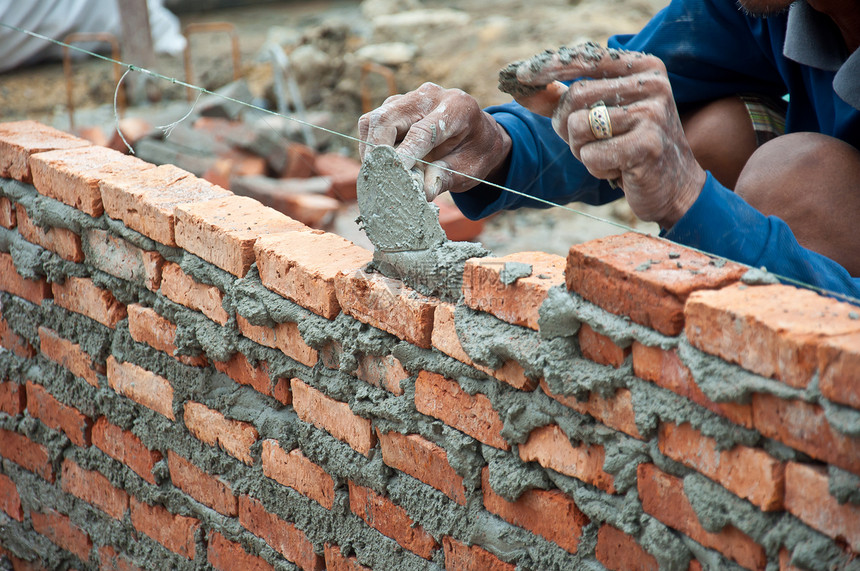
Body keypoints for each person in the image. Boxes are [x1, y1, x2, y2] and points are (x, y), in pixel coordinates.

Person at [358, 0, 860, 300]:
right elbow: (617, 96)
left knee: (795, 177)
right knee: (715, 129)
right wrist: (498, 143)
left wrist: (687, 198)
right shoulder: (758, 10)